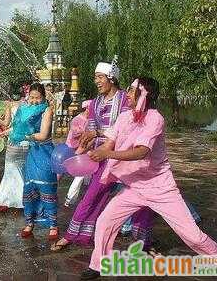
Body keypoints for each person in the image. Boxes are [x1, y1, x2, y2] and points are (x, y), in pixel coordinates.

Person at [80, 77, 217, 279]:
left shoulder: (155, 119)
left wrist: (107, 155)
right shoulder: (124, 117)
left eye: (131, 91)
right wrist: (95, 152)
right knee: (105, 221)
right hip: (134, 187)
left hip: (160, 188)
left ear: (143, 95)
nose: (127, 94)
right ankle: (98, 264)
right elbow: (109, 143)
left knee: (193, 236)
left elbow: (141, 152)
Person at [52, 59, 154, 251]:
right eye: (95, 78)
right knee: (91, 196)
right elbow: (90, 129)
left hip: (123, 157)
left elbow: (126, 128)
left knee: (141, 199)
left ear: (111, 79)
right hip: (102, 157)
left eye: (100, 77)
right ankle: (73, 235)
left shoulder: (126, 99)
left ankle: (143, 242)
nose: (97, 81)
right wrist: (82, 148)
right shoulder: (96, 102)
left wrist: (97, 133)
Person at [19, 83, 58, 240]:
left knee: (46, 190)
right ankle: (29, 223)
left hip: (44, 154)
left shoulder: (47, 111)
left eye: (38, 98)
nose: (34, 100)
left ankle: (53, 226)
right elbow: (17, 127)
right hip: (32, 155)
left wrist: (24, 136)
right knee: (29, 190)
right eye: (32, 97)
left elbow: (42, 135)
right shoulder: (28, 111)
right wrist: (6, 133)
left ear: (43, 98)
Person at [0, 85, 29, 212]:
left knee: (10, 171)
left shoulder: (9, 105)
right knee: (22, 170)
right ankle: (21, 200)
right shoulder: (27, 105)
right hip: (26, 142)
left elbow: (5, 123)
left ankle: (9, 201)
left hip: (14, 141)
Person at [64, 100, 92, 207]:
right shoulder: (76, 120)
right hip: (73, 149)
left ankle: (85, 198)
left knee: (87, 174)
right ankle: (70, 199)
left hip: (85, 149)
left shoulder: (91, 120)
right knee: (79, 174)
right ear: (86, 108)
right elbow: (76, 134)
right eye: (91, 108)